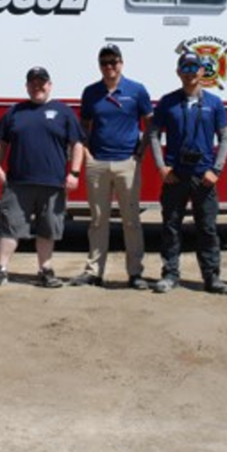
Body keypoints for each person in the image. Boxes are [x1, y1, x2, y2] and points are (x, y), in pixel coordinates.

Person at [0, 66, 85, 289]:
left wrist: (75, 173)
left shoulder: (64, 112)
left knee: (48, 229)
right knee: (10, 226)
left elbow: (77, 144)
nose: (37, 86)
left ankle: (45, 271)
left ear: (50, 85)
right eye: (33, 83)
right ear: (27, 86)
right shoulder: (14, 112)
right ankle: (0, 269)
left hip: (53, 183)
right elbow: (1, 142)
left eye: (42, 82)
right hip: (18, 183)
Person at [70, 43, 153, 290]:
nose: (109, 67)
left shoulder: (137, 91)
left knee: (131, 220)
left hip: (127, 162)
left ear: (121, 63)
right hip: (98, 163)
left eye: (113, 61)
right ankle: (94, 272)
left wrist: (140, 152)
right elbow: (83, 124)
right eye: (104, 62)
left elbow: (150, 123)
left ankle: (135, 273)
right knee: (98, 220)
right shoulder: (91, 92)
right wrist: (86, 153)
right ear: (99, 65)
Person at [149, 52, 227, 295]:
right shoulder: (167, 102)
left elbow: (225, 137)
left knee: (207, 228)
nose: (189, 72)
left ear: (201, 71)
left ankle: (211, 277)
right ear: (178, 72)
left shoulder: (215, 103)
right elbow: (153, 134)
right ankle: (170, 274)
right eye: (184, 67)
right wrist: (161, 167)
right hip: (176, 175)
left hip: (204, 177)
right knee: (171, 226)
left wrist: (216, 169)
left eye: (193, 67)